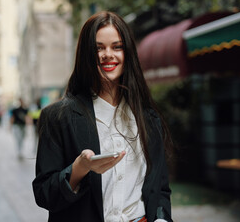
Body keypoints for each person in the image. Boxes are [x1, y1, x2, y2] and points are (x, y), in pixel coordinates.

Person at [32, 11, 173, 222]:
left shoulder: (148, 118)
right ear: (86, 55)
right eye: (98, 48)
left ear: (128, 53)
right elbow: (44, 195)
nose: (108, 54)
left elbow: (160, 189)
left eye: (117, 47)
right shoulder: (58, 117)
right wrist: (79, 168)